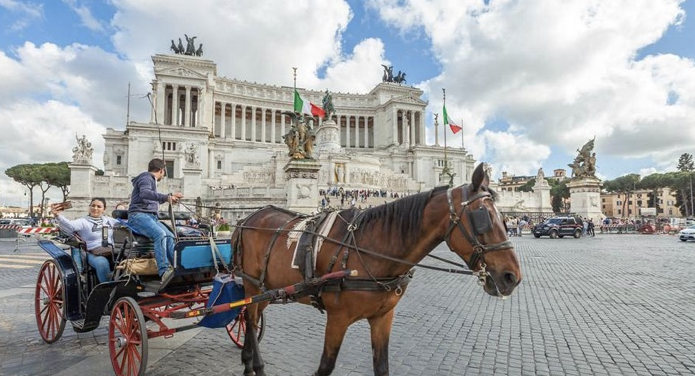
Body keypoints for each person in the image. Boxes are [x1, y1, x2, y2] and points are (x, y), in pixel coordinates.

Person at [128, 158, 183, 290]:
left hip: (150, 217)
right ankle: (164, 271)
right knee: (161, 234)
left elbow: (149, 199)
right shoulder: (146, 178)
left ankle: (177, 268)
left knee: (170, 236)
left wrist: (170, 198)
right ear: (161, 170)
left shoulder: (149, 180)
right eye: (164, 173)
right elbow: (145, 193)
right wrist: (166, 197)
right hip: (138, 216)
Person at [52, 198, 118, 283]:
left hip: (111, 251)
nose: (95, 208)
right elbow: (70, 226)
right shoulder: (83, 221)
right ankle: (108, 289)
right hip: (92, 253)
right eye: (93, 205)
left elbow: (126, 224)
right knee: (102, 263)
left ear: (104, 209)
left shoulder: (110, 221)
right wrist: (57, 216)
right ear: (89, 207)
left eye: (99, 206)